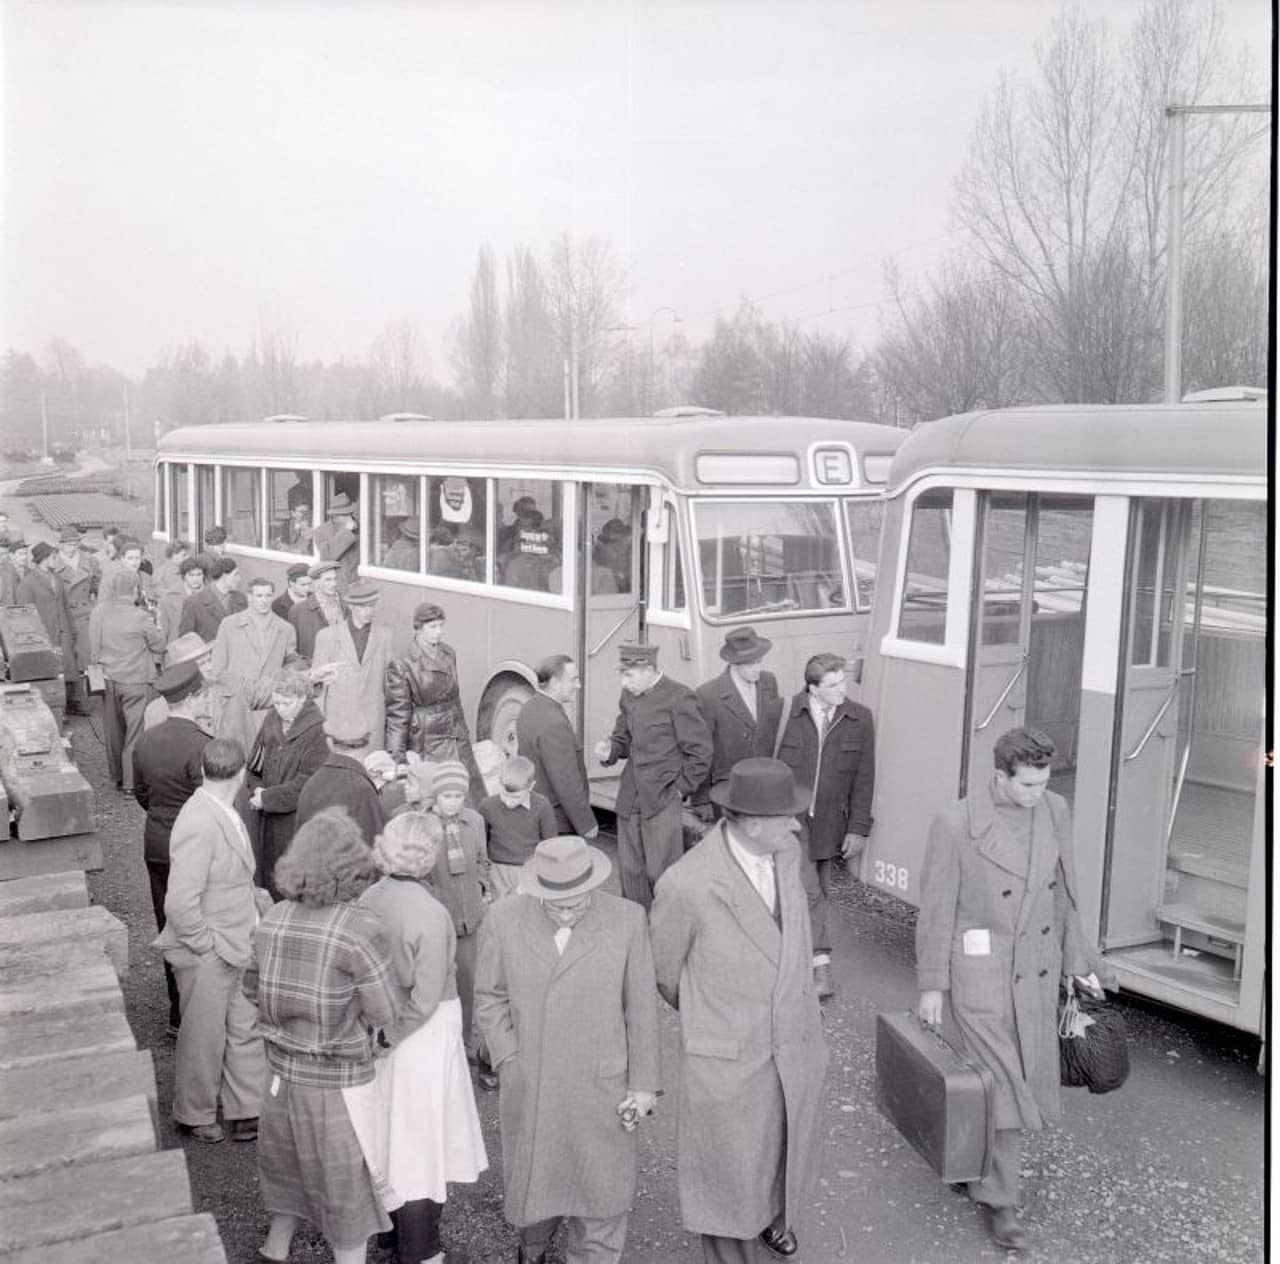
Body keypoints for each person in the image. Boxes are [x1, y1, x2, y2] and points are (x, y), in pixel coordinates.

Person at [916, 726, 1108, 1252]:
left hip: (1038, 970)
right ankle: (1002, 1201)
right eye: (1026, 785)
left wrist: (1077, 961)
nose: (1036, 794)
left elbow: (1066, 892)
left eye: (1043, 782)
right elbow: (935, 908)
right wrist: (933, 985)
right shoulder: (956, 823)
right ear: (999, 777)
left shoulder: (1055, 810)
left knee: (1011, 1079)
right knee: (1002, 1085)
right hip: (979, 973)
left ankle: (971, 1163)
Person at [650, 757, 828, 1264]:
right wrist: (719, 1016)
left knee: (779, 1147)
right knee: (727, 1179)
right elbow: (665, 973)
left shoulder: (786, 852)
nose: (796, 824)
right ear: (751, 822)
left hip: (792, 1043)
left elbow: (793, 932)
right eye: (787, 815)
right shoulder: (687, 884)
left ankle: (773, 1219)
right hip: (729, 1057)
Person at [475, 834, 660, 1264]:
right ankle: (533, 1246)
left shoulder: (628, 919)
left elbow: (641, 1010)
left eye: (576, 903)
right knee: (537, 1179)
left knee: (603, 1188)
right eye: (554, 904)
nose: (566, 912)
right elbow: (489, 996)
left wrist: (644, 1085)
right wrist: (509, 1058)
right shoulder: (502, 919)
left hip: (603, 1082)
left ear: (592, 886)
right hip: (532, 1079)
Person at [249, 807, 397, 1264]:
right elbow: (383, 1010)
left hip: (280, 1071)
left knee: (286, 1160)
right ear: (352, 867)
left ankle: (276, 1247)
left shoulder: (272, 918)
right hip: (337, 1080)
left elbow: (250, 987)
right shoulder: (360, 928)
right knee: (343, 1179)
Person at [345, 812, 488, 1264]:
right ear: (428, 858)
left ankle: (388, 1235)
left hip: (377, 1019)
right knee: (423, 1141)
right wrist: (393, 1036)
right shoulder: (431, 911)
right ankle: (422, 1250)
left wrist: (378, 1032)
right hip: (421, 1033)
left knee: (388, 1130)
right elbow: (427, 999)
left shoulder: (368, 897)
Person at [156, 737, 269, 1145]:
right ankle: (193, 1113)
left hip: (237, 938)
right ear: (240, 775)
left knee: (243, 1024)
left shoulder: (220, 809)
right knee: (203, 1035)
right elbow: (179, 902)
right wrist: (205, 947)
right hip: (210, 948)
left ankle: (246, 1109)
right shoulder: (200, 822)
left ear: (203, 770)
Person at [773, 651, 874, 1001]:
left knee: (818, 895)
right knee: (810, 892)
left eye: (842, 681)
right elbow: (767, 768)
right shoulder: (786, 713)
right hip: (791, 823)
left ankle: (793, 960)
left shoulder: (860, 719)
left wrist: (859, 828)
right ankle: (821, 970)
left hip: (832, 824)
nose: (841, 689)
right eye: (832, 685)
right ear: (813, 689)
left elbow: (865, 778)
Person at [593, 643, 712, 910]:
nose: (624, 682)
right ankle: (637, 926)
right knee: (631, 872)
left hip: (661, 799)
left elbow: (700, 752)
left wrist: (679, 790)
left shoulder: (680, 697)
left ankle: (666, 932)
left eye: (629, 675)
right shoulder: (629, 695)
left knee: (663, 873)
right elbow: (622, 737)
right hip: (630, 797)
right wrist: (610, 750)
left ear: (648, 670)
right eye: (622, 675)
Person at [133, 660, 213, 1036]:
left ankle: (176, 1013)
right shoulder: (202, 745)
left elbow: (142, 794)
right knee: (199, 924)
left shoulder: (147, 740)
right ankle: (201, 1013)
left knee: (168, 926)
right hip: (193, 849)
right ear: (194, 697)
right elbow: (209, 804)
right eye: (204, 695)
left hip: (157, 844)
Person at [420, 760, 493, 1088]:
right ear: (435, 796)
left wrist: (481, 885)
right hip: (439, 919)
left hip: (470, 920)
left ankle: (464, 1045)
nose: (453, 801)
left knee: (468, 983)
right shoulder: (424, 825)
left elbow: (482, 860)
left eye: (459, 795)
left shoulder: (475, 821)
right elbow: (420, 872)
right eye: (447, 795)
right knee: (437, 986)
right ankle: (440, 1049)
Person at [385, 602, 485, 801]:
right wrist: (398, 758)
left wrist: (463, 733)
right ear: (418, 628)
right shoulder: (402, 663)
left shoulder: (449, 653)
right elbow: (398, 715)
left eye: (441, 625)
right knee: (435, 794)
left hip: (455, 736)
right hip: (427, 739)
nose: (438, 632)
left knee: (469, 793)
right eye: (432, 627)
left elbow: (455, 699)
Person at [246, 667, 329, 897]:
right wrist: (256, 791)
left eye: (286, 703)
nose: (280, 709)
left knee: (292, 884)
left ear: (303, 698)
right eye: (276, 703)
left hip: (295, 822)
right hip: (265, 819)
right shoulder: (271, 719)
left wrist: (267, 798)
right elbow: (254, 765)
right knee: (266, 879)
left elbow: (308, 783)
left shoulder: (318, 730)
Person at [88, 570, 166, 794]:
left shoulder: (98, 612)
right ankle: (131, 784)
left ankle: (117, 777)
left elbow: (93, 649)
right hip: (135, 681)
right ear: (135, 590)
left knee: (113, 732)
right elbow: (159, 646)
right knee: (135, 732)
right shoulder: (140, 616)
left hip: (106, 679)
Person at [693, 627, 782, 819]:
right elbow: (701, 750)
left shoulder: (769, 682)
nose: (757, 668)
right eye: (751, 664)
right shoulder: (708, 695)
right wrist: (701, 798)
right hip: (727, 790)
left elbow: (773, 731)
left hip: (764, 785)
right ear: (734, 663)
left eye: (760, 661)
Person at [516, 655, 598, 839]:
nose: (578, 686)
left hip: (538, 814)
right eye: (573, 680)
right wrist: (586, 824)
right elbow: (566, 780)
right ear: (554, 683)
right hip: (558, 822)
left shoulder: (529, 707)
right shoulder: (554, 722)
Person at [209, 576, 298, 738]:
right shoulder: (229, 624)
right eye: (259, 596)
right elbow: (218, 668)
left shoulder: (285, 629)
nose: (264, 600)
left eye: (268, 596)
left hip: (268, 706)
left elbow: (289, 668)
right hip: (236, 705)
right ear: (249, 597)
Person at [311, 579, 392, 753]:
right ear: (351, 606)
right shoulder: (327, 637)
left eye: (371, 606)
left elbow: (390, 686)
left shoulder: (385, 637)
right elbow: (317, 689)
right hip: (339, 729)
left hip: (371, 728)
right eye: (362, 606)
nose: (368, 611)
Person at [296, 713, 387, 845]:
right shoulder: (362, 789)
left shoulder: (311, 784)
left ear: (329, 743)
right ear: (369, 744)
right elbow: (375, 846)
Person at [478, 755, 558, 898]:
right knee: (499, 909)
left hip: (530, 868)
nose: (508, 802)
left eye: (515, 797)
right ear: (499, 782)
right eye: (504, 795)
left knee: (527, 908)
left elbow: (550, 843)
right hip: (497, 870)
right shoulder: (487, 806)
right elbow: (481, 843)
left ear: (531, 786)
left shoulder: (542, 805)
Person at [54, 526, 96, 713]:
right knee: (66, 659)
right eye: (68, 544)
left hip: (85, 615)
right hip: (64, 616)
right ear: (60, 545)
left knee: (84, 659)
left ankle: (80, 699)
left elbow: (98, 586)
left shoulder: (89, 562)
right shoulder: (53, 564)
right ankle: (67, 699)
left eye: (75, 544)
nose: (72, 548)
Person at [16, 542, 73, 673]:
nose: (57, 560)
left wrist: (71, 633)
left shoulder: (57, 578)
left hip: (63, 637)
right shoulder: (28, 583)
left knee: (68, 677)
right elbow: (24, 618)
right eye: (53, 557)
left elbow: (65, 607)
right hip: (44, 639)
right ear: (43, 558)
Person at [288, 559, 345, 660]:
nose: (334, 583)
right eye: (328, 580)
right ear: (316, 582)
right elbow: (291, 651)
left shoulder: (346, 606)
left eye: (335, 579)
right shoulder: (298, 611)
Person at [179, 556, 243, 641]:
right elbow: (185, 640)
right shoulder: (193, 603)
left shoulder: (241, 599)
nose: (239, 579)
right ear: (224, 576)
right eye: (236, 574)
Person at [313, 491, 360, 590]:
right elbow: (327, 558)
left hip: (357, 584)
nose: (350, 518)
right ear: (334, 516)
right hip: (336, 586)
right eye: (345, 515)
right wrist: (346, 531)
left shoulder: (360, 528)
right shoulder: (321, 531)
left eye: (350, 514)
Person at [158, 553, 201, 643]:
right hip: (177, 648)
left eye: (198, 575)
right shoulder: (169, 598)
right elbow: (163, 629)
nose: (195, 579)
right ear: (184, 576)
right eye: (191, 575)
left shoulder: (207, 596)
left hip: (200, 649)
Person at [0, 537, 29, 604]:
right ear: (12, 555)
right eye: (21, 554)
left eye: (26, 553)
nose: (24, 557)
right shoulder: (4, 573)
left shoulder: (29, 572)